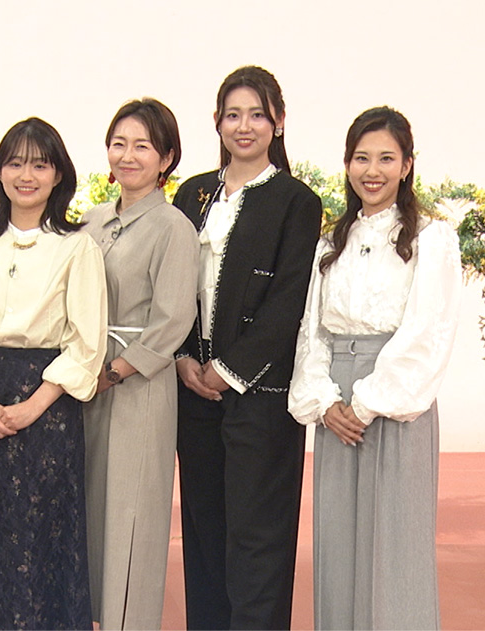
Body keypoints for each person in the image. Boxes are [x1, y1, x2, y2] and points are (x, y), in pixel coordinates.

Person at [288, 106, 461, 630]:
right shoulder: (330, 243)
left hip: (393, 403)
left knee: (395, 549)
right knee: (338, 548)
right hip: (336, 408)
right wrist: (324, 401)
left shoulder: (430, 239)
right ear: (346, 164)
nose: (372, 170)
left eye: (386, 158)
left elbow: (427, 331)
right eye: (361, 158)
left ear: (407, 165)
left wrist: (364, 403)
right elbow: (312, 331)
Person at [0, 117, 108, 630]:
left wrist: (32, 407)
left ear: (59, 175)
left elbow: (87, 341)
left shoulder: (77, 248)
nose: (26, 175)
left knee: (40, 543)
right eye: (15, 163)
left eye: (39, 164)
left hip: (49, 411)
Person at [171, 66, 322, 630]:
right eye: (233, 114)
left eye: (258, 114)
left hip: (261, 398)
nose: (244, 126)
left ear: (278, 122)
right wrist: (184, 358)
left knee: (258, 544)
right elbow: (174, 286)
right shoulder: (192, 194)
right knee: (205, 538)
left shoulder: (296, 201)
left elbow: (289, 301)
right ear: (216, 121)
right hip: (193, 391)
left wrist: (228, 370)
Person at [81, 98, 198, 630]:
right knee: (90, 509)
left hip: (137, 388)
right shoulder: (91, 221)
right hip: (85, 382)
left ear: (166, 158)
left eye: (143, 146)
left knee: (132, 516)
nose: (128, 156)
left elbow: (173, 319)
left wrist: (115, 371)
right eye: (119, 144)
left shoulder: (173, 227)